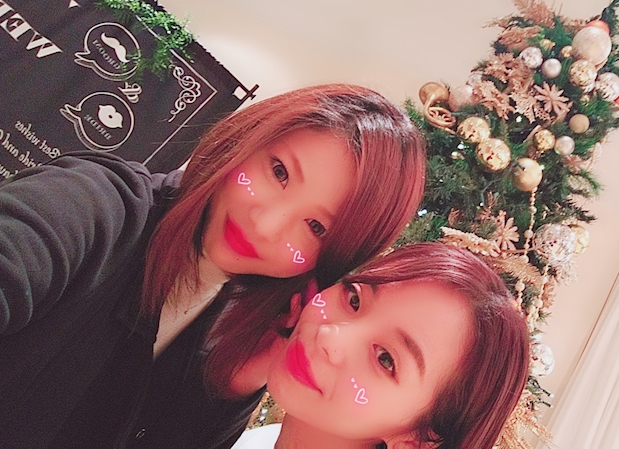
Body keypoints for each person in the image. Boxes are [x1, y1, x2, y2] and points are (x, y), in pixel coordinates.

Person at [0, 84, 426, 449]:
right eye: (278, 172)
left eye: (315, 227)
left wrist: (228, 393)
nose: (265, 224)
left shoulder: (224, 322)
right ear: (246, 139)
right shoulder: (96, 207)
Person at [228, 243, 530, 449]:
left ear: (415, 440)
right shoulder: (255, 435)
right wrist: (232, 391)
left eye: (385, 359)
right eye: (354, 299)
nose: (329, 336)